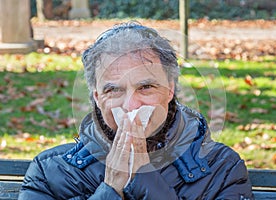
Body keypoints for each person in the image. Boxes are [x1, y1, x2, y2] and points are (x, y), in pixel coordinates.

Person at [19, 21, 253, 200]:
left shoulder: (222, 168)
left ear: (170, 90)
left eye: (146, 87)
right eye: (114, 90)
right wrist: (110, 189)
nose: (131, 105)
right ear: (97, 97)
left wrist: (144, 176)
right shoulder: (49, 171)